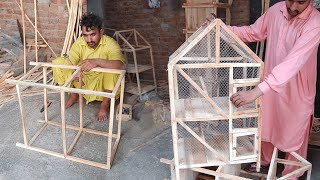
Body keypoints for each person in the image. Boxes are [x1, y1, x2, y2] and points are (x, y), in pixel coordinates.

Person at [229, 0, 320, 179]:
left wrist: (256, 91)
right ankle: (264, 161)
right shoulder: (275, 11)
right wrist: (222, 27)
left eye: (300, 2)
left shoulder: (315, 23)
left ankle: (292, 173)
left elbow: (292, 63)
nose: (293, 7)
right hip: (270, 85)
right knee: (269, 124)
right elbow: (253, 32)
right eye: (290, 0)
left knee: (295, 131)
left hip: (297, 89)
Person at [53, 13, 125, 121]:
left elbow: (120, 65)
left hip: (102, 83)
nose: (89, 39)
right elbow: (69, 61)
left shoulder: (110, 43)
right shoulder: (80, 42)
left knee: (112, 71)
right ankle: (73, 95)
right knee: (58, 62)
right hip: (83, 80)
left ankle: (104, 105)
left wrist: (98, 62)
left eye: (93, 34)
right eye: (85, 35)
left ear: (101, 32)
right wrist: (73, 72)